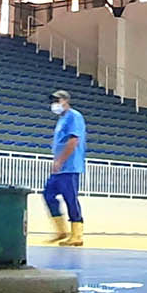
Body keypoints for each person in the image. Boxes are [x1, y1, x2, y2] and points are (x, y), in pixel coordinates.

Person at [45, 89, 87, 247]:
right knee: (48, 194)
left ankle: (77, 234)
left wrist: (60, 161)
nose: (55, 104)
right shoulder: (61, 120)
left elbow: (73, 140)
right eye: (53, 101)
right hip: (60, 167)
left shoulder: (74, 117)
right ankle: (60, 230)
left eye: (58, 100)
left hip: (70, 167)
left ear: (66, 100)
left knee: (70, 198)